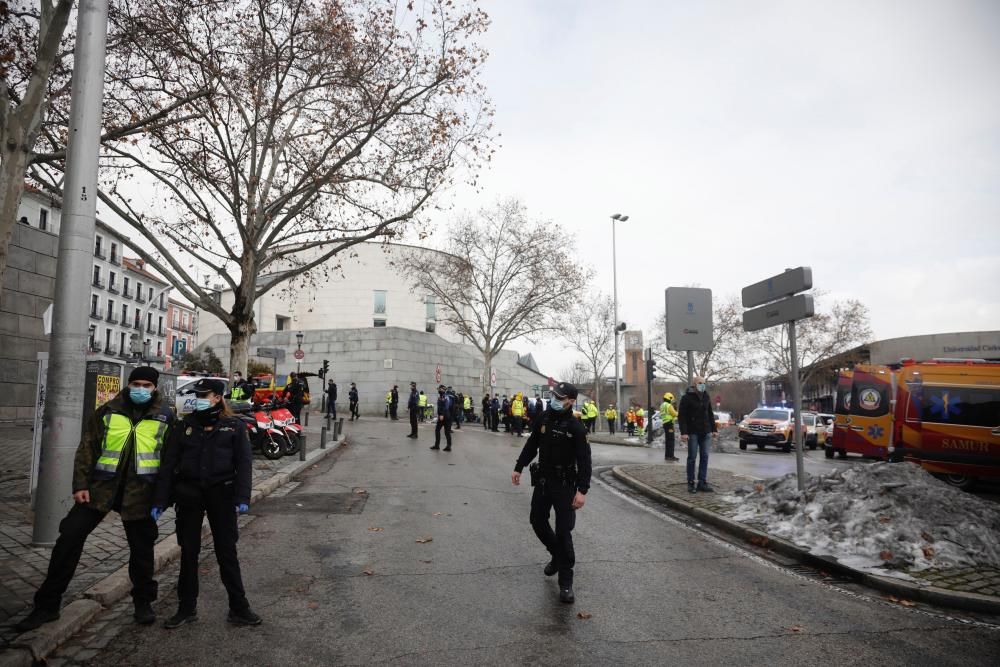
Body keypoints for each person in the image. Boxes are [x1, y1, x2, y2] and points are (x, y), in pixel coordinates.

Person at [15, 367, 174, 632]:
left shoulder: (166, 416)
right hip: (100, 490)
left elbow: (170, 460)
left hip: (140, 494)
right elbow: (87, 448)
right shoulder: (108, 410)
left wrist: (163, 498)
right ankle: (46, 606)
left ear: (154, 388)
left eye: (146, 385)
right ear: (128, 384)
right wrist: (80, 484)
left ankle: (143, 603)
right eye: (136, 383)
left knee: (142, 551)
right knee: (69, 539)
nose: (141, 389)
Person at [152, 378, 261, 629]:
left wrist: (242, 497)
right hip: (189, 494)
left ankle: (239, 608)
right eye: (197, 394)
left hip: (222, 495)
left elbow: (243, 465)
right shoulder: (185, 425)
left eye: (205, 394)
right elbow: (169, 464)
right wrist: (160, 500)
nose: (199, 398)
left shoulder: (233, 426)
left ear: (217, 398)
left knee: (226, 552)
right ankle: (186, 608)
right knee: (189, 552)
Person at [511, 382, 591, 604]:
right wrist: (519, 467)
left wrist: (582, 491)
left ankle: (566, 583)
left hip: (565, 484)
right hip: (544, 480)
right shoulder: (545, 418)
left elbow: (585, 461)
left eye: (560, 397)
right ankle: (558, 555)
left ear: (571, 401)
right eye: (554, 395)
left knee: (563, 530)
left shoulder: (576, 427)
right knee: (537, 521)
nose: (555, 399)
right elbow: (531, 444)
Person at [678, 377, 718, 493]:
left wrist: (714, 429)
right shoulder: (686, 398)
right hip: (693, 432)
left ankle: (702, 482)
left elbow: (710, 413)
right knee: (692, 457)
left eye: (704, 383)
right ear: (694, 384)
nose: (702, 385)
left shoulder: (706, 396)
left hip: (705, 432)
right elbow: (682, 417)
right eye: (700, 383)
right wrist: (684, 432)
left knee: (704, 457)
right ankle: (691, 483)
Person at [430, 384, 453, 452]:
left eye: (440, 389)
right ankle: (437, 445)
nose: (439, 390)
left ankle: (448, 446)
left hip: (445, 416)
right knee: (437, 430)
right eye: (438, 389)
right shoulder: (441, 396)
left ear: (443, 389)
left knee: (447, 432)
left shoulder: (445, 397)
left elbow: (446, 406)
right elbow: (440, 406)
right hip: (441, 416)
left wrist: (442, 414)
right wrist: (440, 415)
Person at [660, 392, 679, 461]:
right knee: (671, 440)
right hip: (669, 424)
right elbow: (674, 414)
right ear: (670, 398)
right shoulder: (669, 405)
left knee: (668, 440)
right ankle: (671, 456)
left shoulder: (662, 405)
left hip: (665, 423)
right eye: (672, 399)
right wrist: (678, 412)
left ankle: (667, 456)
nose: (672, 401)